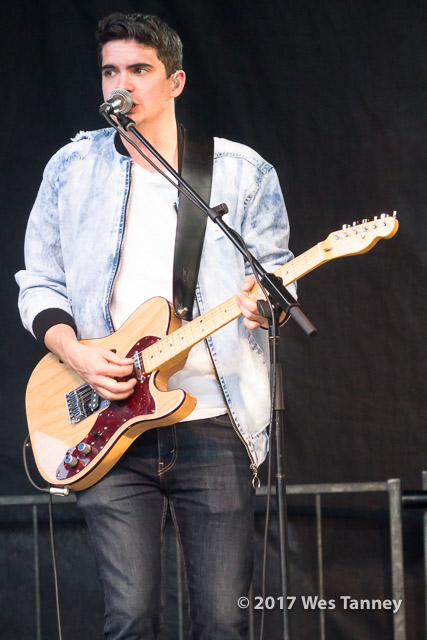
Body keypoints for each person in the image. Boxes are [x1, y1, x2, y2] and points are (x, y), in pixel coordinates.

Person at [16, 12, 295, 640]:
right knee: (131, 617)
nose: (122, 84)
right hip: (106, 420)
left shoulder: (240, 171)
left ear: (176, 81)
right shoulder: (70, 168)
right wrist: (79, 355)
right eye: (110, 71)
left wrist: (265, 304)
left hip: (213, 420)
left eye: (139, 70)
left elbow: (277, 276)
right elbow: (39, 283)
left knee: (222, 621)